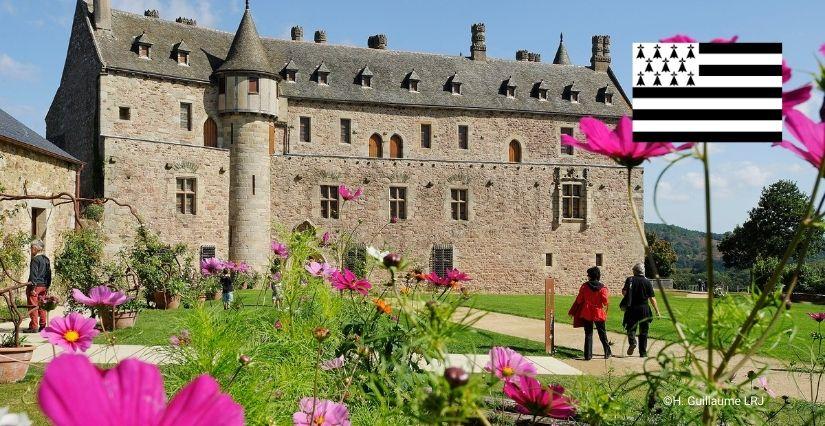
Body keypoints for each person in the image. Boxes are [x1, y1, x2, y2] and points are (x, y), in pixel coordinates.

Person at [571, 266, 611, 360]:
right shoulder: (603, 288)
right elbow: (605, 301)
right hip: (598, 311)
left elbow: (580, 299)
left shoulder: (584, 286)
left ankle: (588, 355)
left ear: (590, 276)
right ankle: (607, 351)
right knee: (602, 333)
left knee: (588, 333)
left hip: (587, 311)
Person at [622, 263, 661, 357]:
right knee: (644, 331)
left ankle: (632, 342)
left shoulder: (630, 280)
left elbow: (624, 292)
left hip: (632, 308)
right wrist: (657, 311)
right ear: (643, 271)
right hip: (644, 309)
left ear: (635, 271)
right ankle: (643, 353)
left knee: (631, 328)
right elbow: (652, 298)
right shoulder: (647, 282)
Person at [24, 240, 51, 332]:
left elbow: (33, 275)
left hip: (36, 286)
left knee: (33, 306)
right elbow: (49, 274)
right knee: (42, 305)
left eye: (31, 248)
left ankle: (34, 326)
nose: (31, 250)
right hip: (43, 285)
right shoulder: (46, 259)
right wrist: (47, 286)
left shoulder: (35, 259)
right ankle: (43, 325)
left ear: (35, 248)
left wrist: (32, 288)